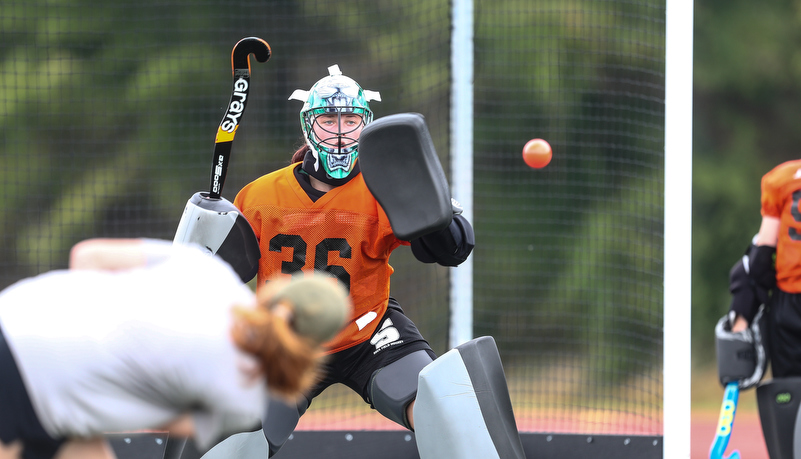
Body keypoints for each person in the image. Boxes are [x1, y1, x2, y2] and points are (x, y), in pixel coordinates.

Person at [199, 64, 476, 458]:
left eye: (350, 118)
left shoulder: (384, 189)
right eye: (330, 118)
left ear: (367, 124)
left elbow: (453, 250)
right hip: (285, 340)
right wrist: (202, 231)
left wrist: (434, 211)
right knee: (231, 444)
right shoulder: (260, 195)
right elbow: (214, 276)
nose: (342, 130)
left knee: (443, 411)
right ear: (309, 125)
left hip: (368, 332)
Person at [0, 238, 350, 459]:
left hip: (16, 313)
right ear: (312, 346)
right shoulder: (243, 395)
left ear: (278, 294)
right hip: (36, 385)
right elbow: (165, 421)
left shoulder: (211, 270)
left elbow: (86, 256)